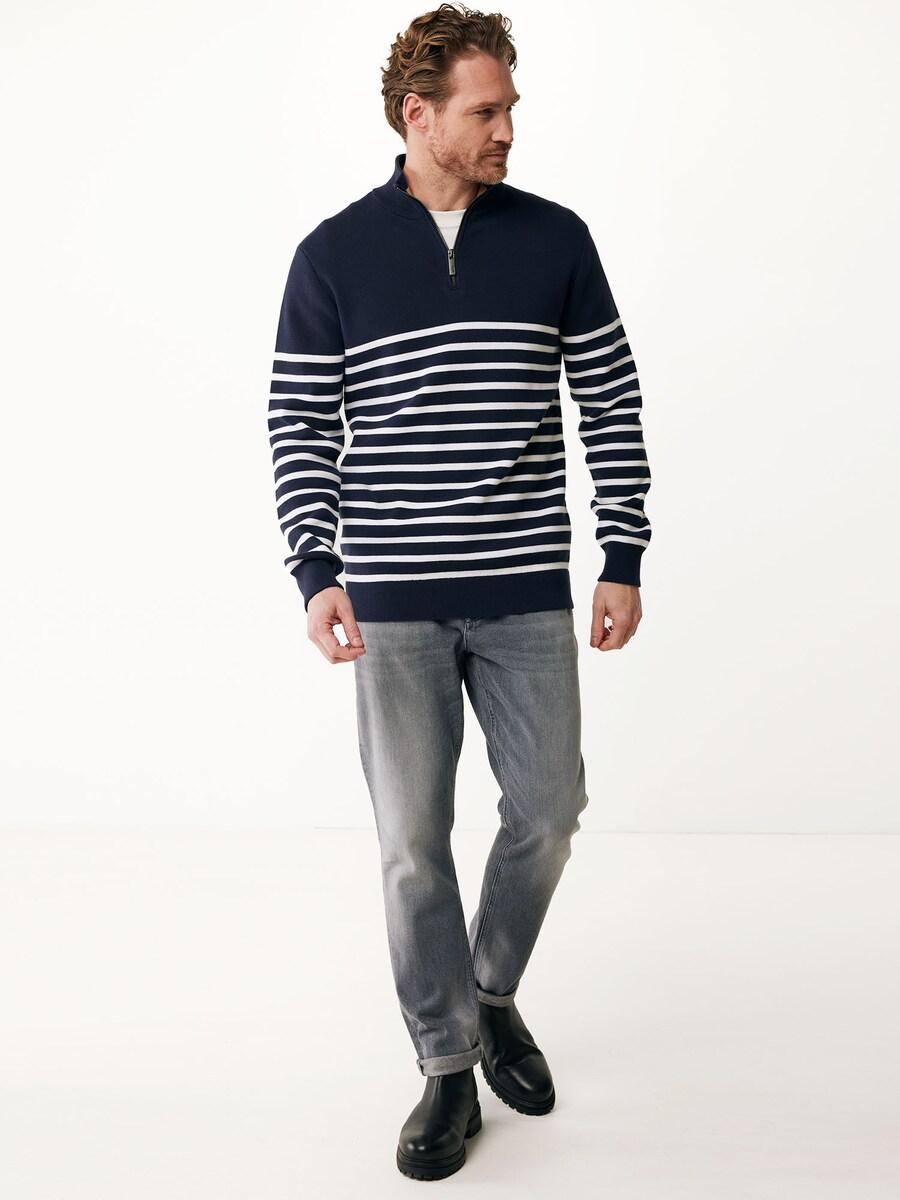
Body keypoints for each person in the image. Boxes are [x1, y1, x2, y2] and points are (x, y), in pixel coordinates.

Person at [267, 3, 652, 1180]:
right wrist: (316, 569)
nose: (507, 131)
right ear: (417, 115)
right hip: (393, 602)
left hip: (527, 589)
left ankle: (486, 993)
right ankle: (446, 1068)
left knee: (549, 809)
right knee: (410, 845)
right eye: (486, 112)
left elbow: (611, 399)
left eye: (511, 109)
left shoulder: (556, 239)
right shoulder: (334, 254)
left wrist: (622, 553)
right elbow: (300, 421)